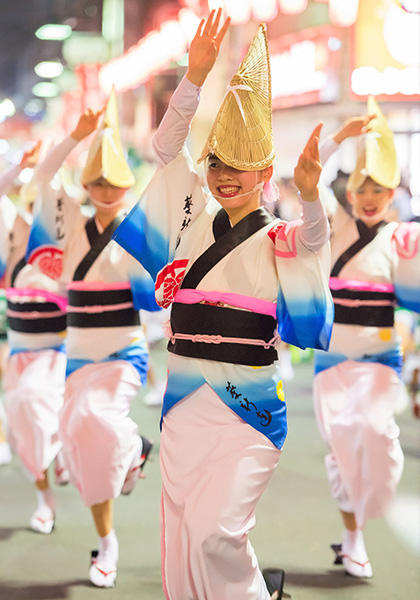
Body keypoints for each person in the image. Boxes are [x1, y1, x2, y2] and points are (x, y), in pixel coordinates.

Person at [114, 11, 333, 599]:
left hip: (249, 410)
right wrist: (195, 78)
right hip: (185, 403)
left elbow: (313, 242)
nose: (225, 177)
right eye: (216, 164)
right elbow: (165, 148)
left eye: (239, 168)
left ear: (264, 173)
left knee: (216, 531)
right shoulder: (190, 218)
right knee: (187, 530)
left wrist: (311, 199)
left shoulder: (278, 238)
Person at [28, 91, 159, 588]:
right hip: (78, 358)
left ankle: (133, 446)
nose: (106, 188)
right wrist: (77, 138)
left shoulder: (138, 231)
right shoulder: (69, 229)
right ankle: (107, 539)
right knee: (82, 444)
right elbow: (42, 178)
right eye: (98, 181)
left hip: (124, 355)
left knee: (95, 420)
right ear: (87, 184)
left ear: (127, 185)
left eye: (114, 181)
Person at [314, 97, 420, 578]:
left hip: (379, 358)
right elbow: (308, 177)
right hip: (332, 360)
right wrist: (341, 136)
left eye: (381, 188)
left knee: (377, 435)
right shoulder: (333, 226)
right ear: (352, 191)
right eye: (364, 187)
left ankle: (366, 514)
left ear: (394, 193)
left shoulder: (399, 238)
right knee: (340, 448)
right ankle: (353, 537)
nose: (372, 195)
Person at [0, 142, 70, 531]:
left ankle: (60, 454)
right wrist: (19, 169)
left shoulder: (65, 241)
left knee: (36, 405)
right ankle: (44, 498)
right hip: (19, 353)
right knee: (21, 428)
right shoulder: (13, 234)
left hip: (54, 355)